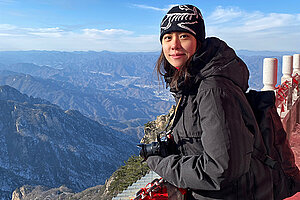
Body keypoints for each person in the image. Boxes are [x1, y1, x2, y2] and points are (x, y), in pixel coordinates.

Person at [141, 4, 274, 199]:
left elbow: (220, 169)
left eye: (184, 36)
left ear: (198, 41)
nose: (174, 45)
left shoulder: (213, 89)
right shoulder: (192, 83)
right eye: (168, 37)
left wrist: (158, 162)